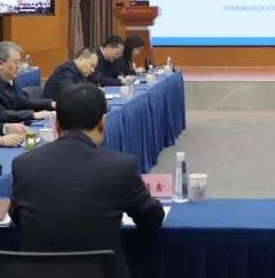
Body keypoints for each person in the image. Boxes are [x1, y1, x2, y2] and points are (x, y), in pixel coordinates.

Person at [10, 83, 164, 258]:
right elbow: (152, 220)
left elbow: (17, 218)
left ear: (56, 124)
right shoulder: (121, 166)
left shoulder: (23, 164)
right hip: (103, 275)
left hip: (36, 275)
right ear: (102, 123)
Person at [0, 41, 54, 123]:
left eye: (19, 62)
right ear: (1, 64)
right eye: (16, 62)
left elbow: (22, 102)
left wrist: (50, 103)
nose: (19, 67)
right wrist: (33, 115)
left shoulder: (12, 81)